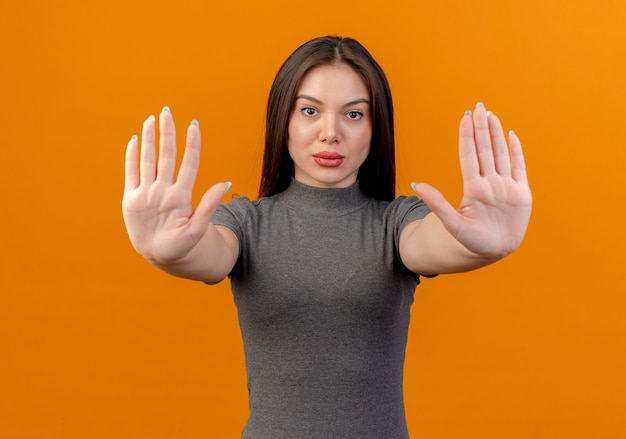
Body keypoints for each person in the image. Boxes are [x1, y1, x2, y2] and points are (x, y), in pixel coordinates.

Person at [122, 36, 531, 438]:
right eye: (309, 111)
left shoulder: (396, 223)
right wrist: (166, 253)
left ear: (376, 128)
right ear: (283, 120)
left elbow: (434, 244)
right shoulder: (246, 223)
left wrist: (484, 244)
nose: (330, 132)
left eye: (354, 115)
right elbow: (208, 255)